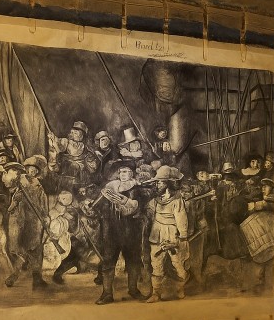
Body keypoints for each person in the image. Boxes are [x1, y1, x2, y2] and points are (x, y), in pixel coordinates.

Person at [90, 163, 149, 304]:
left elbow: (142, 207)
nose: (124, 174)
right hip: (111, 230)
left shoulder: (137, 189)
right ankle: (107, 293)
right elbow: (96, 207)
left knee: (133, 260)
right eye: (121, 171)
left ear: (132, 174)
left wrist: (129, 204)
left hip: (130, 230)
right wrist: (93, 209)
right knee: (108, 260)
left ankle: (133, 289)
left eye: (127, 171)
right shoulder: (109, 188)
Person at [144, 165, 189, 303]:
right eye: (157, 182)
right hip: (157, 234)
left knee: (177, 263)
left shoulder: (177, 200)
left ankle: (180, 289)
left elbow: (181, 218)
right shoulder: (154, 200)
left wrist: (182, 236)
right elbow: (149, 216)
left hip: (172, 234)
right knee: (156, 263)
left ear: (168, 183)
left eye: (160, 182)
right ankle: (156, 293)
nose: (157, 184)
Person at [3, 162, 49, 290]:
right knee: (15, 248)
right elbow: (9, 205)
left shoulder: (38, 186)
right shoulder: (17, 183)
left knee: (35, 247)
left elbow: (43, 204)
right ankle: (14, 275)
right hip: (18, 220)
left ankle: (37, 279)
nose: (32, 172)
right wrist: (15, 200)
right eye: (30, 169)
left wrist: (45, 216)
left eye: (35, 170)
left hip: (34, 221)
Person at [48, 121, 90, 192]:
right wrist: (53, 138)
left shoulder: (84, 146)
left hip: (80, 175)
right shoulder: (66, 142)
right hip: (66, 170)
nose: (74, 135)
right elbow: (57, 143)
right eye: (73, 132)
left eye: (77, 133)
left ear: (82, 135)